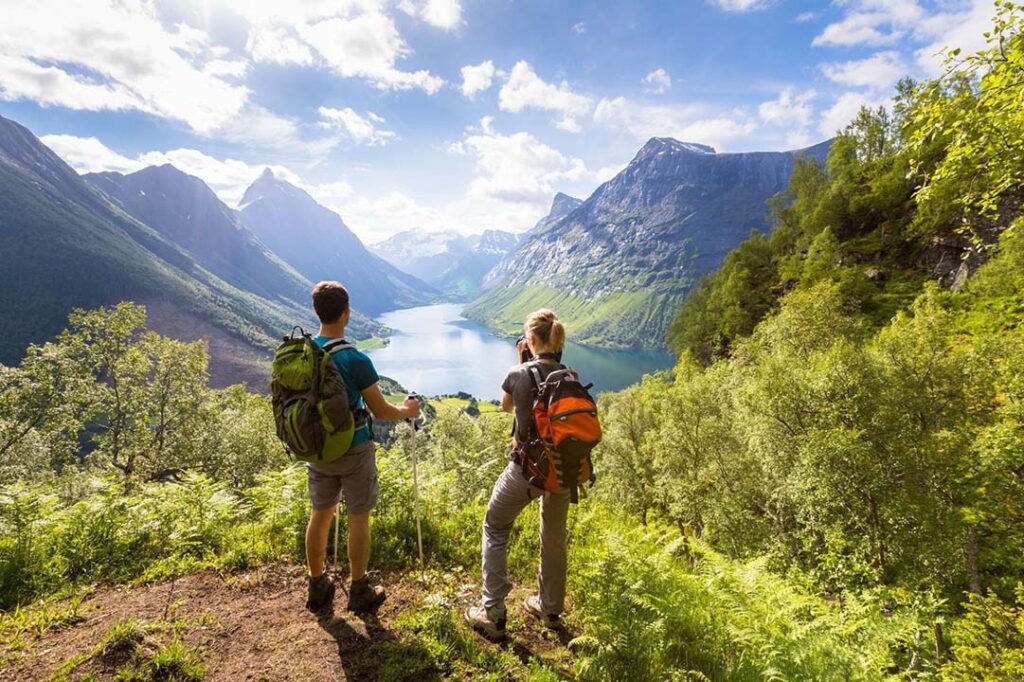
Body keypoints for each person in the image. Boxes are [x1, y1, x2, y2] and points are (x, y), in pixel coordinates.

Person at [304, 281, 421, 614]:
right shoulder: (355, 358)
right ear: (346, 312)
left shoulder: (303, 352)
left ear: (316, 311)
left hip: (317, 448)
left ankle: (317, 585)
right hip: (353, 448)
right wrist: (408, 411)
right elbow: (381, 411)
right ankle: (359, 590)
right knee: (358, 517)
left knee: (320, 514)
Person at [465, 309, 571, 640]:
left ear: (531, 340)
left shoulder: (518, 372)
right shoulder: (570, 375)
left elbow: (506, 406)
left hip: (527, 469)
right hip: (563, 470)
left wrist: (521, 360)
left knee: (495, 525)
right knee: (554, 536)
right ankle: (550, 610)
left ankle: (493, 613)